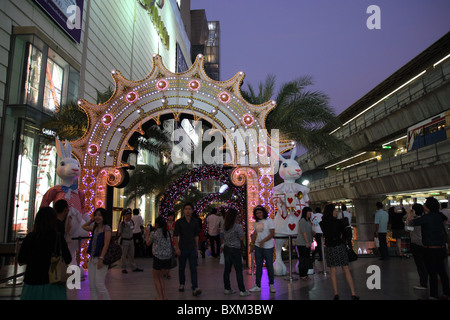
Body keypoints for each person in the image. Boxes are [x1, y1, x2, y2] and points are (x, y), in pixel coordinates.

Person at [18, 206, 72, 300]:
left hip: (31, 283)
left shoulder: (30, 237)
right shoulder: (57, 237)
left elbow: (21, 259)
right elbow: (68, 258)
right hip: (53, 283)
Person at [409, 197, 450, 299]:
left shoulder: (427, 217)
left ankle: (434, 295)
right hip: (441, 248)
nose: (424, 206)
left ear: (428, 207)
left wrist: (409, 213)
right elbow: (445, 221)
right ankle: (447, 292)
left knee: (432, 273)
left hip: (430, 249)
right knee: (442, 272)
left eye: (425, 204)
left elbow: (411, 223)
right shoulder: (439, 216)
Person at [319, 203, 359, 300]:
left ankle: (336, 294)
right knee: (346, 269)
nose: (336, 212)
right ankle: (353, 293)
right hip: (339, 246)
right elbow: (344, 235)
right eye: (335, 210)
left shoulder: (322, 223)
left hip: (329, 247)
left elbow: (326, 235)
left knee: (333, 270)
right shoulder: (338, 222)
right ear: (332, 211)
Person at [82, 207, 112, 300]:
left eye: (99, 215)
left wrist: (101, 259)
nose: (97, 217)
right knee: (92, 285)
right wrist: (91, 220)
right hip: (92, 259)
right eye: (96, 215)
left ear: (104, 217)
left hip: (100, 259)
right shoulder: (94, 228)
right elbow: (83, 227)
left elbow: (106, 244)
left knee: (99, 284)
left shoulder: (106, 228)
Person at [174, 202, 202, 296]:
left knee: (193, 268)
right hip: (182, 248)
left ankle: (195, 286)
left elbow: (196, 235)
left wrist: (197, 248)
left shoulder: (195, 221)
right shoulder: (179, 222)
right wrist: (177, 248)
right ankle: (182, 283)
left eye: (189, 209)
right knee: (181, 267)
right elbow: (175, 235)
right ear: (183, 210)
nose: (187, 211)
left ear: (192, 211)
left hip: (192, 248)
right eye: (186, 209)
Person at [222, 208, 250, 297]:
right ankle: (242, 290)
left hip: (226, 249)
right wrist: (242, 230)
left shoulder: (224, 225)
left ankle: (227, 288)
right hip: (235, 250)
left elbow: (222, 236)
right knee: (238, 270)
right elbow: (241, 238)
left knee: (227, 270)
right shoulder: (237, 226)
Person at [249, 205, 276, 294]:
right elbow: (255, 233)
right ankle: (257, 285)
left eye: (260, 212)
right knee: (258, 266)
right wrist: (252, 244)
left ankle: (271, 284)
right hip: (258, 247)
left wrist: (263, 241)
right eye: (257, 213)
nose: (259, 214)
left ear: (263, 212)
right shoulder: (256, 222)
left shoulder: (269, 221)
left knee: (269, 266)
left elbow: (272, 234)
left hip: (268, 247)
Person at [146, 215, 173, 300]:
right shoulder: (168, 233)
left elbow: (148, 243)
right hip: (167, 258)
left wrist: (147, 233)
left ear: (157, 224)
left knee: (156, 278)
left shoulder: (155, 233)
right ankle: (163, 296)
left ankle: (160, 297)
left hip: (158, 257)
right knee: (161, 278)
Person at [406, 203, 428, 290]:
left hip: (416, 244)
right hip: (425, 244)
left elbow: (408, 229)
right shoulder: (424, 219)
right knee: (425, 264)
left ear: (414, 211)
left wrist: (409, 216)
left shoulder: (416, 221)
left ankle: (423, 283)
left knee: (420, 265)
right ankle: (425, 282)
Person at [118, 208, 143, 273]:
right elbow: (120, 232)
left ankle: (134, 267)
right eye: (128, 214)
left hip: (131, 239)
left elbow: (133, 228)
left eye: (130, 214)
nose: (129, 216)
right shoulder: (122, 223)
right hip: (125, 240)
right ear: (125, 215)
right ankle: (123, 268)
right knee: (124, 254)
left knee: (132, 254)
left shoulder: (132, 222)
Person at [296, 207, 313, 280]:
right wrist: (306, 242)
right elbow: (304, 232)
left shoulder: (308, 221)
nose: (310, 213)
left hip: (307, 243)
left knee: (306, 258)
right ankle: (302, 274)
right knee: (303, 259)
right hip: (302, 243)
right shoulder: (302, 221)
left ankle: (305, 274)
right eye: (309, 211)